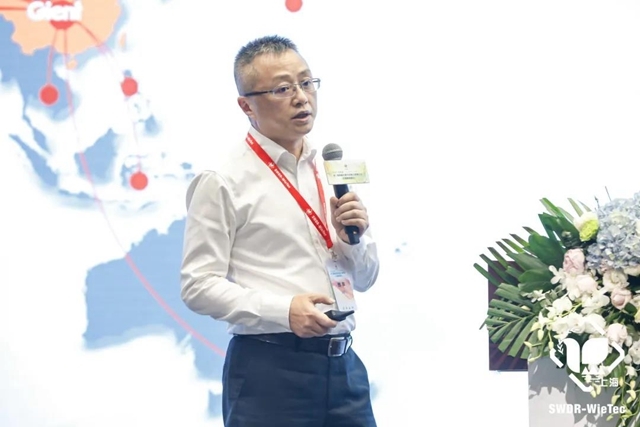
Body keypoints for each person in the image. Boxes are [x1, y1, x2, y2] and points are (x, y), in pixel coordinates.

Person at [180, 34, 380, 427]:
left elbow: (366, 278)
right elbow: (197, 285)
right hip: (269, 372)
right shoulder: (222, 179)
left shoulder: (329, 168)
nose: (302, 98)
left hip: (345, 370)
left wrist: (352, 240)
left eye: (306, 82)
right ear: (246, 106)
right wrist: (283, 311)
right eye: (283, 88)